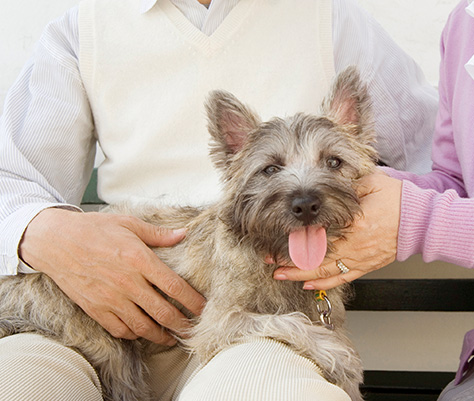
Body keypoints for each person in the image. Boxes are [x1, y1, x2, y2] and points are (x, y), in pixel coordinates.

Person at [0, 0, 438, 399]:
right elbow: (11, 177)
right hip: (82, 313)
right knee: (21, 382)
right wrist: (43, 231)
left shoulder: (331, 16)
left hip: (257, 332)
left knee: (275, 389)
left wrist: (377, 221)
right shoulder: (85, 26)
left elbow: (437, 163)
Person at [275, 0, 474, 399]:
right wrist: (348, 190)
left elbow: (433, 216)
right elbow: (456, 183)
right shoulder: (471, 24)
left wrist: (420, 221)